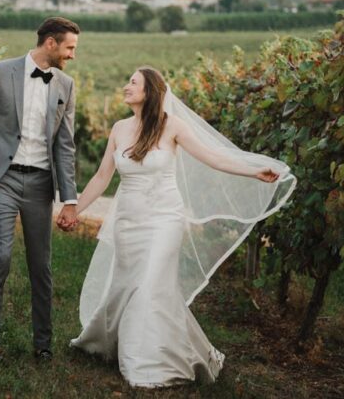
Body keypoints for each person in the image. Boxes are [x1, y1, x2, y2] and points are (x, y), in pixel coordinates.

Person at [68, 66, 296, 387]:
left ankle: (145, 363)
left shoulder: (172, 126)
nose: (125, 86)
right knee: (127, 285)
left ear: (150, 91)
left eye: (132, 82)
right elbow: (102, 176)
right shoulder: (119, 128)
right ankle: (128, 343)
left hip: (164, 219)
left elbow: (213, 157)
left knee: (150, 285)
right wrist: (74, 210)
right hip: (128, 222)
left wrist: (252, 169)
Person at [0, 17, 80, 365]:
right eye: (69, 47)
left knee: (40, 266)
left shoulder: (66, 85)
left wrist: (70, 199)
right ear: (50, 43)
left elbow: (65, 146)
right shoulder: (1, 72)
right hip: (3, 179)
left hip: (41, 184)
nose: (72, 55)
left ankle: (43, 343)